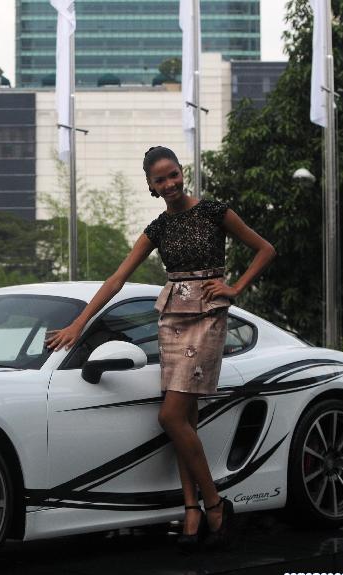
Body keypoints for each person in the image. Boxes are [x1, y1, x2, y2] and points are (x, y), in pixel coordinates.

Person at [45, 146, 275, 550]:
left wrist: (235, 288)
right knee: (182, 418)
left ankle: (216, 503)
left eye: (172, 176)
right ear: (150, 186)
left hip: (207, 317)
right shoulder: (158, 228)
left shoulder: (214, 212)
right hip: (170, 320)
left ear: (181, 173)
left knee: (170, 417)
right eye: (159, 180)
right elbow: (117, 279)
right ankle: (191, 512)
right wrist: (78, 324)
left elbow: (265, 249)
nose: (168, 185)